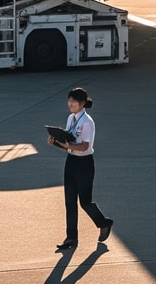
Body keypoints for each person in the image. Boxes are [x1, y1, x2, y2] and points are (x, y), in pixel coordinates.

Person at [48, 87, 113, 250]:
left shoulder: (87, 122)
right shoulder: (71, 118)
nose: (70, 104)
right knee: (69, 202)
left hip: (84, 164)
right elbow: (69, 143)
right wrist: (56, 142)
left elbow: (84, 146)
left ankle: (104, 222)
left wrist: (68, 145)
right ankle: (71, 238)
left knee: (85, 202)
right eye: (69, 101)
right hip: (71, 162)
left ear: (82, 103)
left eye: (74, 101)